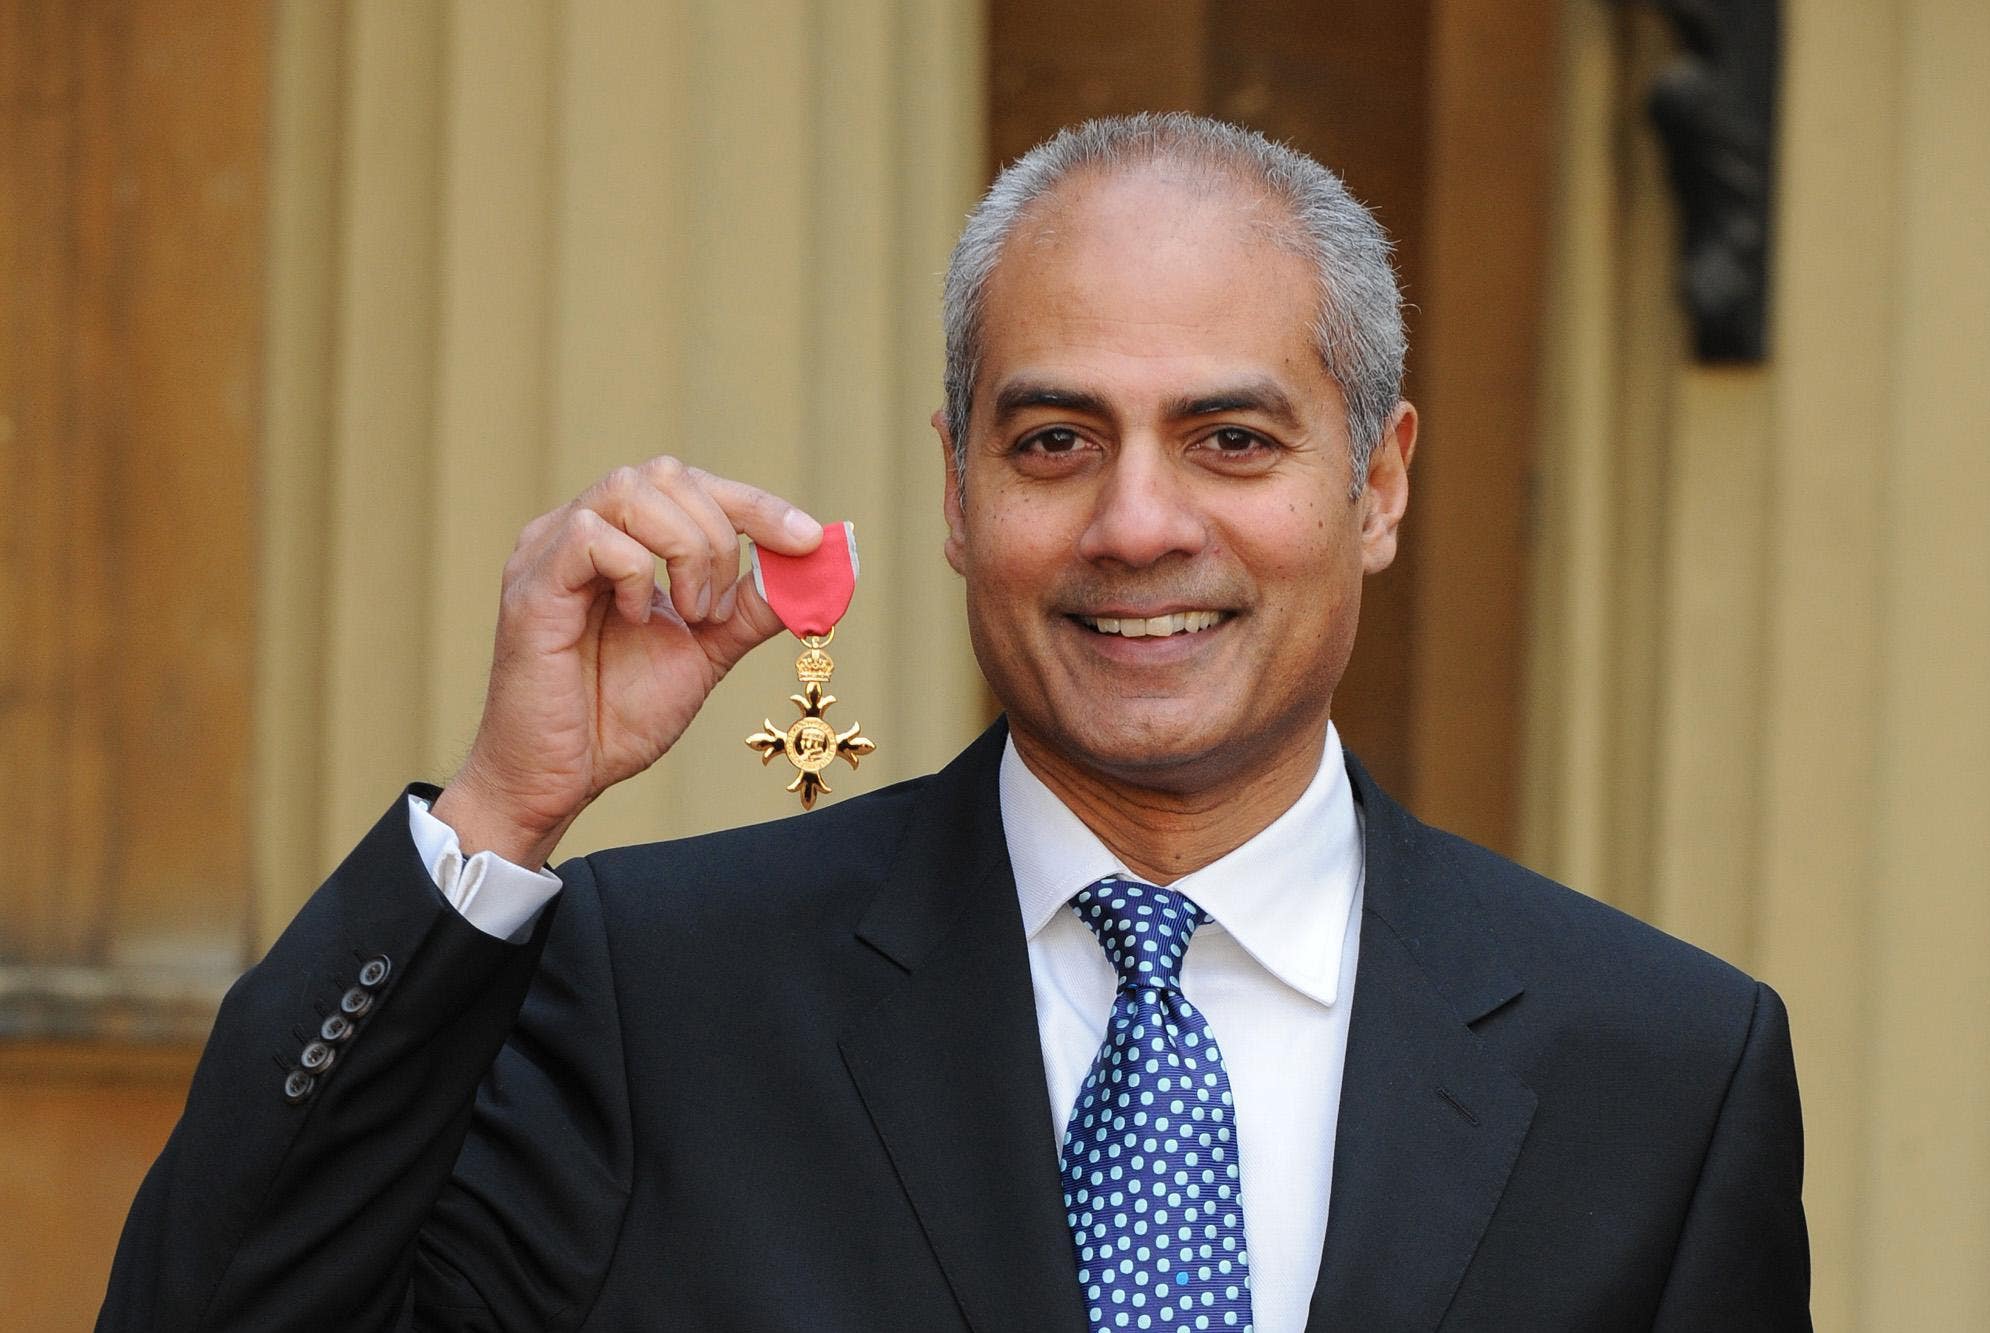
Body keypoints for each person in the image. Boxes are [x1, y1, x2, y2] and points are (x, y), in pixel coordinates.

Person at [100, 113, 1810, 1332]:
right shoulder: (652, 1000)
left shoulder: (1657, 1075)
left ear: (1379, 483)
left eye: (1230, 439)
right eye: (1057, 441)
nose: (1139, 523)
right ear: (955, 487)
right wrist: (500, 809)